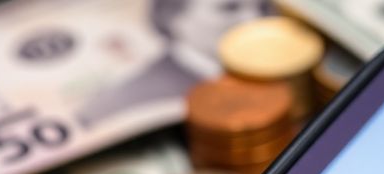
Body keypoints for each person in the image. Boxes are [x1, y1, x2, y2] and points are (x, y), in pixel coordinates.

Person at [77, 0, 267, 126]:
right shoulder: (124, 100)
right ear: (174, 18)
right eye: (229, 8)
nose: (254, 20)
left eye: (261, 8)